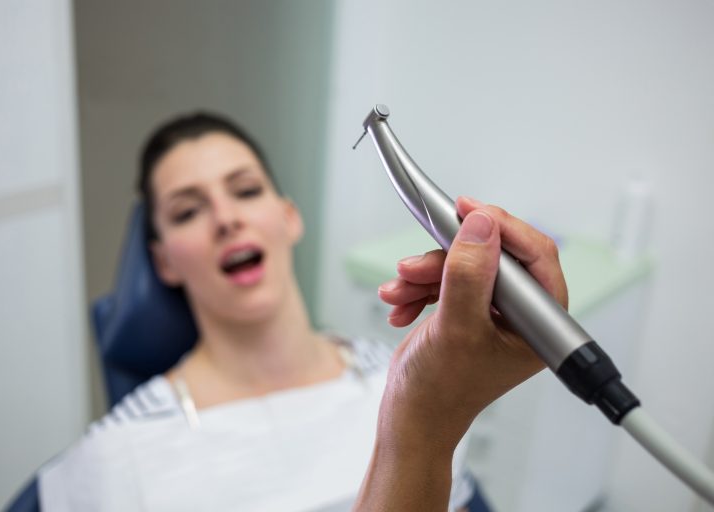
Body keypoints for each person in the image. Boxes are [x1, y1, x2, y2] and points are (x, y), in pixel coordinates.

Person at [37, 112, 479, 511]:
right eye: (188, 211)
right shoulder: (119, 455)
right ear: (165, 262)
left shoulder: (409, 382)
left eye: (246, 191)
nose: (226, 219)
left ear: (288, 217)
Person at [353, 200, 567, 510]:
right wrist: (421, 420)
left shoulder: (377, 356)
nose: (251, 219)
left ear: (289, 215)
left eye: (253, 191)